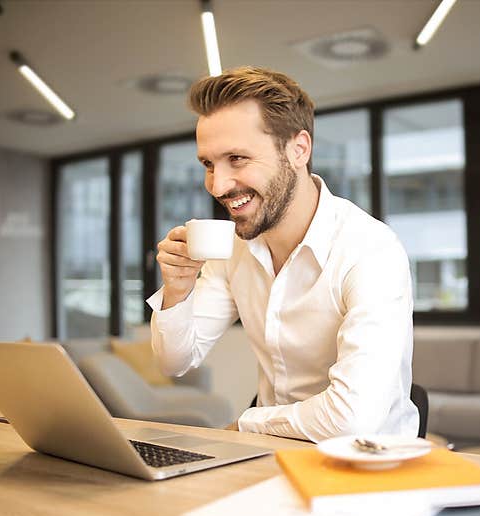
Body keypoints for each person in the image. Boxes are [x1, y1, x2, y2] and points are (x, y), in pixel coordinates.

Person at [147, 66, 418, 442]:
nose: (218, 185)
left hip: (366, 467)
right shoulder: (235, 250)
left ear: (298, 149)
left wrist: (247, 422)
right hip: (270, 458)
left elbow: (352, 419)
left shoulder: (371, 250)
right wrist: (177, 289)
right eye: (209, 164)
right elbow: (175, 361)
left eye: (237, 159)